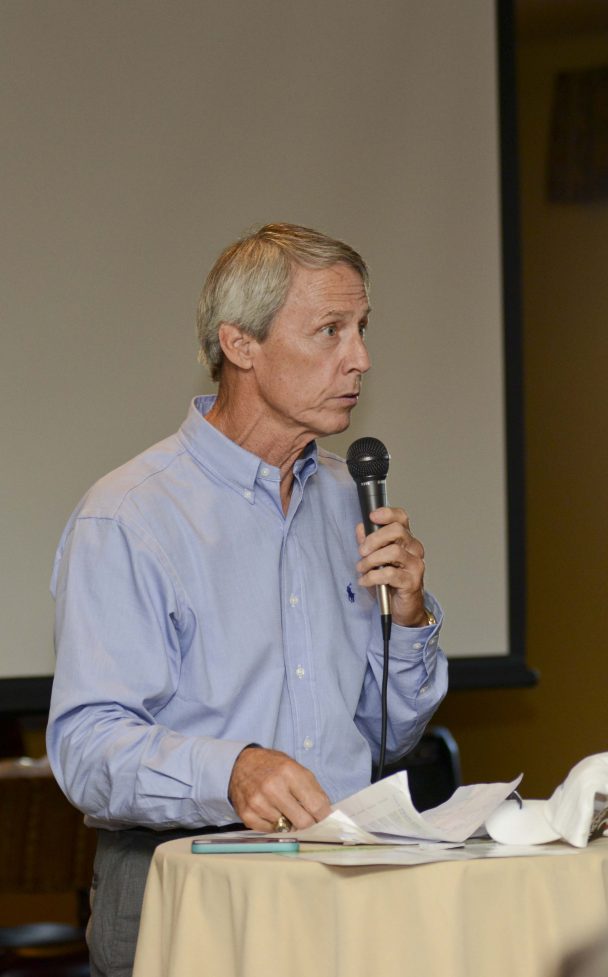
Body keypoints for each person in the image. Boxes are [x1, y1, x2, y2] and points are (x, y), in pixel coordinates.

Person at [46, 222, 447, 977]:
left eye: (362, 329)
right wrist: (230, 769)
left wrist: (411, 622)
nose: (360, 357)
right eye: (330, 330)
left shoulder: (345, 498)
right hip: (186, 882)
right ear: (241, 345)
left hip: (345, 884)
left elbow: (384, 735)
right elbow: (86, 746)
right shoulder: (129, 515)